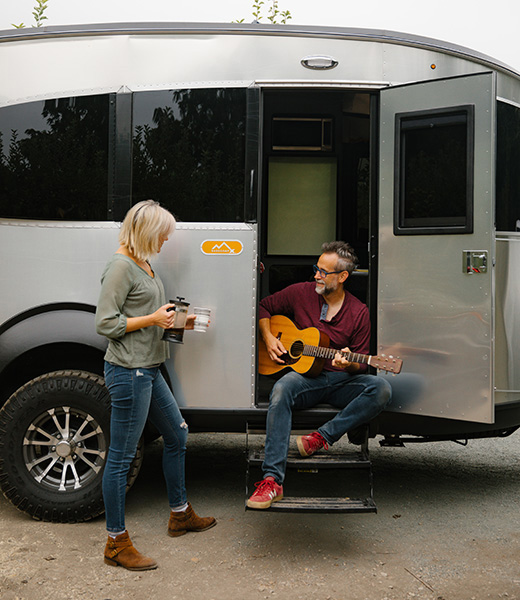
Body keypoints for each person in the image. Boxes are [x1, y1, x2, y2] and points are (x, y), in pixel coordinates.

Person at [95, 199, 216, 571]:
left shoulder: (143, 263)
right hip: (129, 372)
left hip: (150, 367)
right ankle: (115, 542)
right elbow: (106, 324)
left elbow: (150, 317)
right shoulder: (120, 267)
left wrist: (181, 321)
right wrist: (152, 318)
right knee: (121, 457)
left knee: (177, 435)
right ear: (146, 232)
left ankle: (179, 514)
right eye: (162, 234)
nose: (166, 240)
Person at [247, 241, 392, 509]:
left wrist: (348, 364)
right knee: (281, 389)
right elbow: (263, 307)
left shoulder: (359, 312)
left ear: (343, 277)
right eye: (317, 269)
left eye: (323, 272)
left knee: (381, 388)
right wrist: (268, 338)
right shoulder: (301, 293)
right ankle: (271, 481)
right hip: (305, 380)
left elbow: (362, 364)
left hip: (340, 382)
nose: (316, 275)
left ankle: (321, 437)